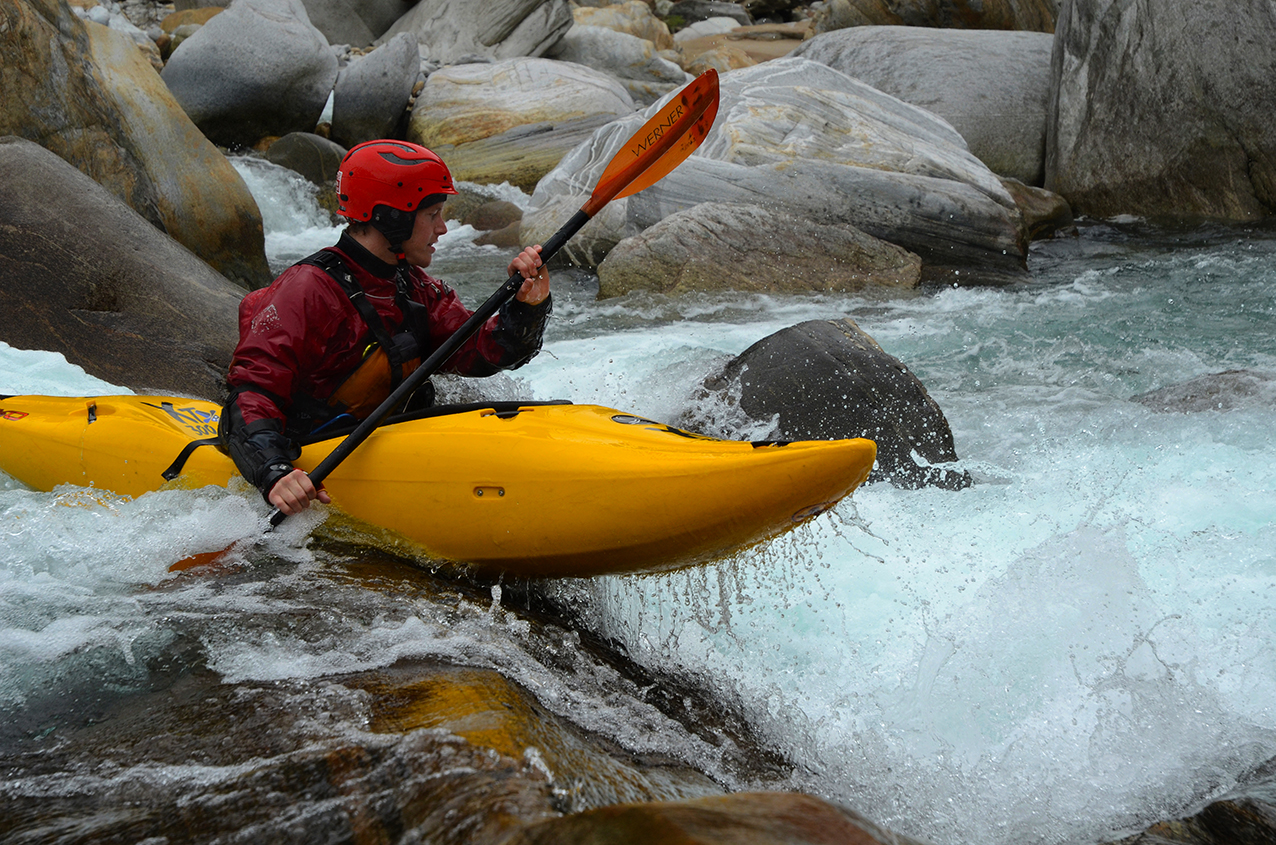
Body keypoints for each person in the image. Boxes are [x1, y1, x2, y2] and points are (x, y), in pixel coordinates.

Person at [220, 139, 552, 516]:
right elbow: (250, 392)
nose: (443, 228)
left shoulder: (414, 287)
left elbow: (482, 353)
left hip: (383, 442)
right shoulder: (307, 290)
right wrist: (274, 472)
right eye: (433, 215)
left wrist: (528, 306)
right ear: (391, 216)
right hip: (308, 450)